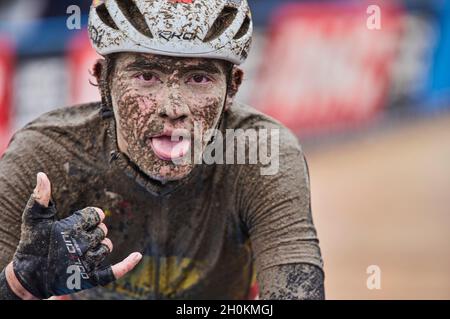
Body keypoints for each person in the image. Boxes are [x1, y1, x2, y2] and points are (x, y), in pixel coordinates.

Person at [0, 0, 324, 300]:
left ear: (233, 88)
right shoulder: (45, 155)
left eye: (198, 78)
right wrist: (18, 283)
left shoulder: (262, 155)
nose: (173, 108)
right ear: (103, 81)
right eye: (146, 76)